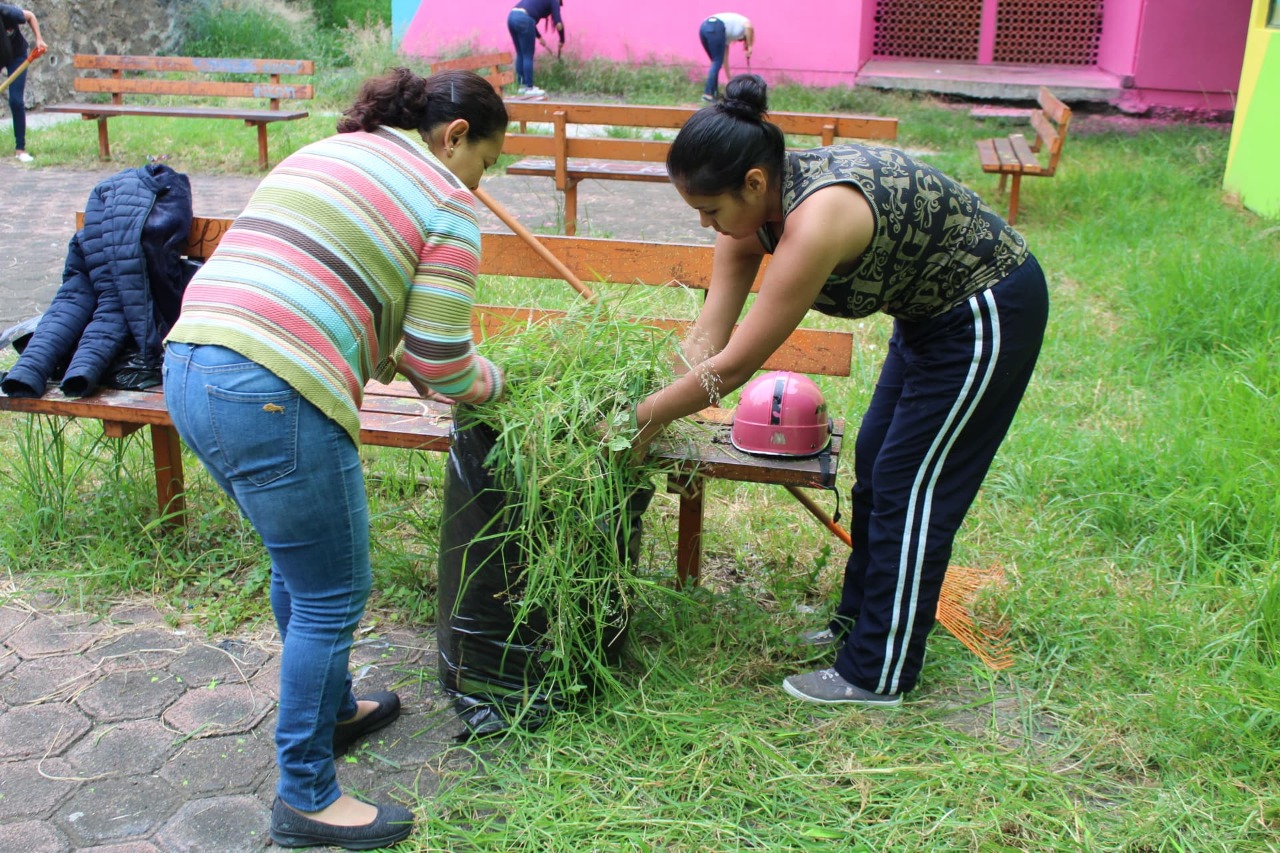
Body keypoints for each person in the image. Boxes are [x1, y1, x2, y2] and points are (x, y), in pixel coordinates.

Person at [162, 68, 508, 850]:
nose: (482, 183)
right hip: (274, 390)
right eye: (486, 162)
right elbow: (443, 361)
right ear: (456, 137)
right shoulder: (448, 200)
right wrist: (498, 383)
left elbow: (340, 284)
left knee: (300, 567)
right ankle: (307, 797)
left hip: (191, 366)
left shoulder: (330, 150)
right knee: (332, 592)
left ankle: (337, 708)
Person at [630, 74, 1048, 707]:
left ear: (754, 183)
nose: (705, 223)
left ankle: (877, 672)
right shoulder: (748, 214)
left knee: (913, 488)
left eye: (710, 210)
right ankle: (856, 627)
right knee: (877, 467)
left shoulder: (819, 216)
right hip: (927, 317)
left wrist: (645, 420)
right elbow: (709, 338)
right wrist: (648, 390)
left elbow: (738, 364)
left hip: (986, 309)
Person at [1, 3, 46, 162]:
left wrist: (39, 40)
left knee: (15, 100)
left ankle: (20, 149)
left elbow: (30, 16)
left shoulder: (7, 12)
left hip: (17, 57)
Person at [507, 0, 564, 98]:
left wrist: (539, 37)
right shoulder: (555, 1)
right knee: (527, 55)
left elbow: (529, 15)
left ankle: (522, 86)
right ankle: (529, 88)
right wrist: (562, 39)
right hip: (524, 19)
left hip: (511, 17)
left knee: (520, 53)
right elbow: (558, 23)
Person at [699, 12, 752, 102]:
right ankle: (708, 94)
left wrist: (729, 78)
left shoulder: (726, 37)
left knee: (715, 62)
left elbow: (725, 59)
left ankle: (714, 93)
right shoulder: (745, 23)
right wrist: (750, 46)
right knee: (716, 62)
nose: (740, 40)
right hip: (716, 26)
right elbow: (749, 27)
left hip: (703, 27)